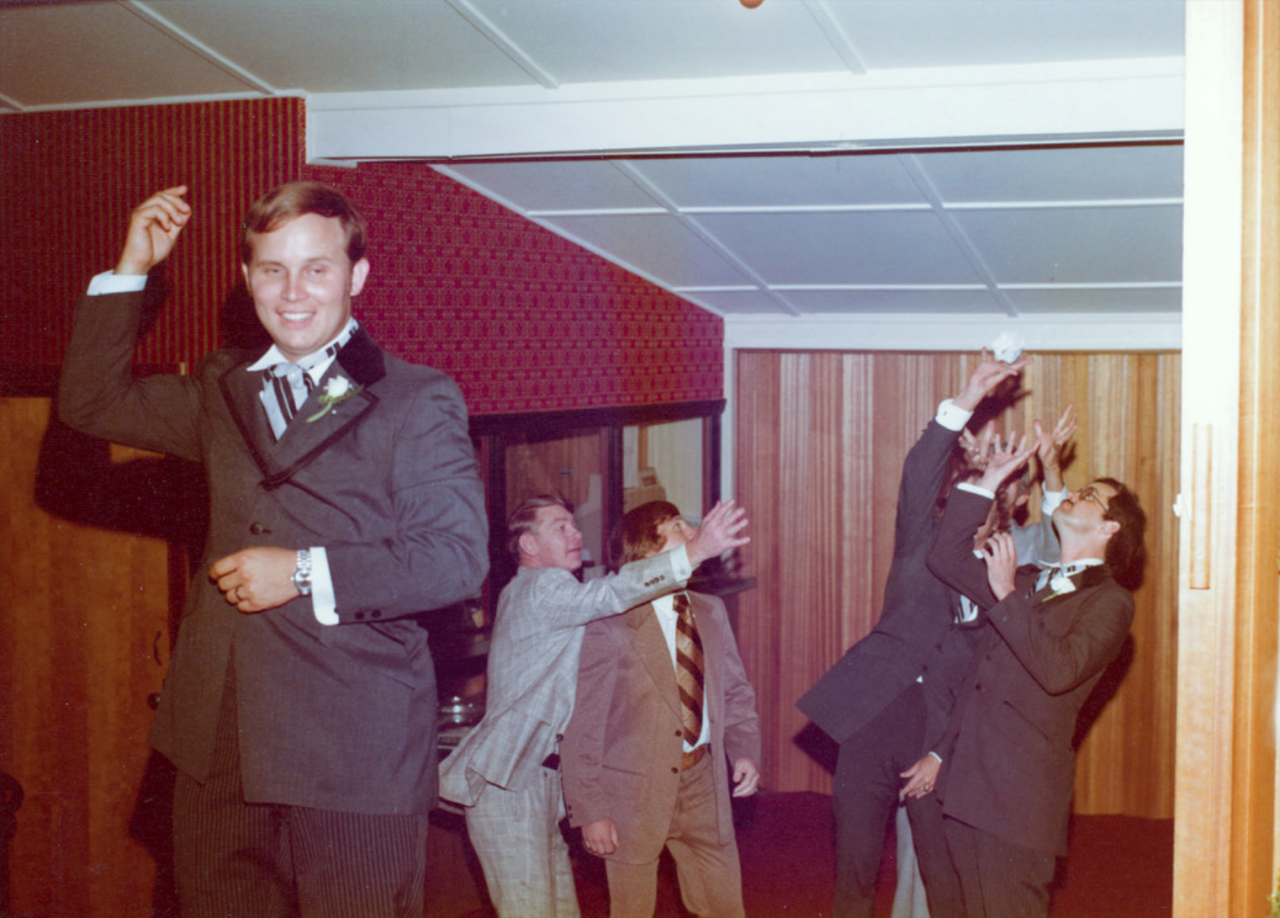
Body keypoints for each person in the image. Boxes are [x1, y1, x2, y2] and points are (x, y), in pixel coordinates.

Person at [58, 183, 489, 917]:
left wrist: (299, 571)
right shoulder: (222, 388)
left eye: (316, 269)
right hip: (218, 738)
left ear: (356, 276)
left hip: (352, 745)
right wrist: (134, 267)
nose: (292, 293)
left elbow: (455, 557)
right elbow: (90, 404)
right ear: (248, 277)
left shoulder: (415, 399)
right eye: (271, 270)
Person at [796, 351, 1029, 918]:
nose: (956, 513)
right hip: (872, 718)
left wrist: (939, 755)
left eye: (976, 504)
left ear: (997, 513)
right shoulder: (917, 551)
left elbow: (986, 679)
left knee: (941, 875)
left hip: (938, 732)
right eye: (954, 502)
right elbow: (920, 470)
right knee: (854, 868)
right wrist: (968, 398)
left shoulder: (999, 576)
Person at [438, 496, 749, 918]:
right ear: (529, 545)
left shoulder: (554, 593)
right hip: (509, 782)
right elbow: (610, 594)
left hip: (541, 774)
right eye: (560, 527)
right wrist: (695, 552)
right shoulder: (541, 587)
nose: (576, 533)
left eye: (574, 524)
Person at [902, 435, 1147, 918]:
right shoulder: (1031, 579)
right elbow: (945, 559)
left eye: (1089, 496)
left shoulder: (1111, 602)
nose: (1073, 493)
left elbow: (1059, 671)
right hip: (966, 787)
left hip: (1016, 803)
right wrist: (988, 481)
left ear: (1110, 528)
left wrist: (1006, 594)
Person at [559, 501, 762, 918]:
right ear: (647, 550)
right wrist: (590, 811)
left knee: (725, 908)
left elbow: (735, 691)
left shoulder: (711, 611)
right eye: (677, 527)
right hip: (632, 794)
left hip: (704, 782)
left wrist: (744, 750)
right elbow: (583, 726)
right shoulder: (610, 623)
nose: (693, 536)